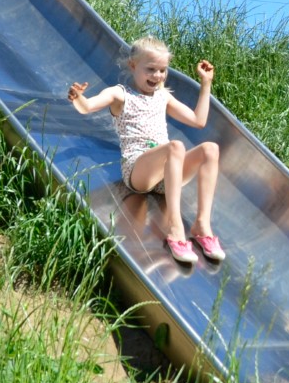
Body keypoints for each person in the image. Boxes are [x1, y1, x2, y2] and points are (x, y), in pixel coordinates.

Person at [67, 36, 225, 265]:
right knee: (175, 146)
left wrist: (206, 84)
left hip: (166, 175)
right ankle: (175, 228)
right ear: (133, 66)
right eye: (150, 69)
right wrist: (78, 98)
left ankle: (203, 225)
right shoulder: (120, 94)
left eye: (162, 70)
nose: (157, 76)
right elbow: (87, 107)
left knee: (210, 149)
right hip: (138, 171)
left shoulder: (163, 97)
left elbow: (199, 121)